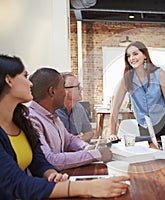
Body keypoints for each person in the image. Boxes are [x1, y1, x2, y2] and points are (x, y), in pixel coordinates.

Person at [0, 55, 129, 199]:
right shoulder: (31, 119)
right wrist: (88, 186)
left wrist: (51, 174)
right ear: (8, 80)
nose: (30, 84)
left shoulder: (20, 122)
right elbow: (17, 184)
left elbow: (40, 161)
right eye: (25, 76)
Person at [28, 68, 112, 170]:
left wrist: (86, 147)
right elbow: (50, 160)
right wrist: (95, 154)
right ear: (52, 91)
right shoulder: (32, 119)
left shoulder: (52, 115)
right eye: (63, 88)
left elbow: (69, 139)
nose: (65, 93)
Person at [109, 41, 165, 140]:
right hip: (144, 126)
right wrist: (112, 133)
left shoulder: (160, 74)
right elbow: (115, 108)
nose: (131, 58)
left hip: (163, 123)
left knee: (163, 153)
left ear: (145, 55)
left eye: (135, 54)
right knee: (148, 152)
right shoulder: (127, 79)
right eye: (128, 56)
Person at [56, 72, 94, 142]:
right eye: (78, 86)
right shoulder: (53, 112)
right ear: (65, 90)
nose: (81, 89)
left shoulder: (79, 107)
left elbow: (89, 132)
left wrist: (80, 139)